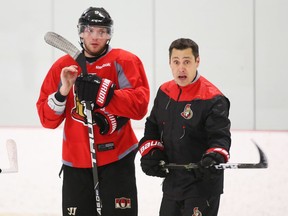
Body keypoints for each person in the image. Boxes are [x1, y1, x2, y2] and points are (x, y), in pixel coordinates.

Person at [36, 7, 149, 216]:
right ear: (80, 32)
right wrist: (63, 91)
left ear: (109, 34)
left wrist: (106, 93)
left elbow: (139, 106)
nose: (95, 36)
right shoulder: (63, 67)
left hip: (117, 158)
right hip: (76, 161)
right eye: (89, 30)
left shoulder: (124, 61)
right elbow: (47, 119)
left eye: (102, 31)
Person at [138, 38, 231, 216]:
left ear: (197, 61)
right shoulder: (165, 92)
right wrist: (151, 152)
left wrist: (213, 158)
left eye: (187, 61)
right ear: (170, 63)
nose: (181, 68)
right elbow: (152, 128)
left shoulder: (213, 98)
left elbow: (220, 138)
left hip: (201, 186)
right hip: (172, 183)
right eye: (176, 62)